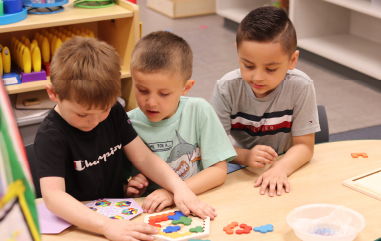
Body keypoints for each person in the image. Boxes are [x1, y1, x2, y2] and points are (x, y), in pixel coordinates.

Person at [34, 36, 216, 241]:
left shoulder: (113, 111)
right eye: (82, 115)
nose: (94, 121)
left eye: (102, 110)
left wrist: (180, 188)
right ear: (53, 93)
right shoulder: (51, 135)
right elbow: (54, 197)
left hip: (120, 216)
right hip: (81, 225)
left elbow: (144, 158)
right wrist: (105, 226)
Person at [211, 6, 320, 197]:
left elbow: (304, 145)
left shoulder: (301, 86)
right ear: (238, 53)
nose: (258, 77)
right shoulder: (226, 87)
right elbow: (213, 146)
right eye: (248, 65)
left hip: (287, 164)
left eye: (270, 69)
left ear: (292, 60)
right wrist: (245, 156)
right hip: (240, 166)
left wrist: (280, 169)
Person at [125, 31, 236, 213]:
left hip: (198, 199)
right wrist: (131, 185)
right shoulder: (127, 123)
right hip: (153, 211)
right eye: (143, 90)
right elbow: (123, 181)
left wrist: (171, 193)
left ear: (186, 87)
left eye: (164, 94)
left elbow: (218, 171)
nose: (151, 102)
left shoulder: (199, 110)